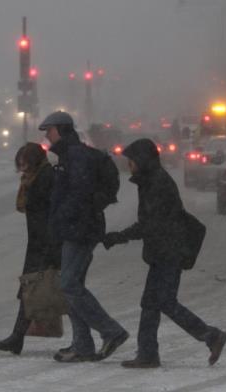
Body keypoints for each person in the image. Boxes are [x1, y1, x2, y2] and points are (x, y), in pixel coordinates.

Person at [103, 138, 226, 368]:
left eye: (131, 161)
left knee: (164, 301)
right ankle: (148, 353)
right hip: (164, 250)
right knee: (151, 302)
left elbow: (151, 223)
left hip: (169, 251)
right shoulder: (150, 180)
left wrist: (119, 237)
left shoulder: (157, 183)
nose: (129, 166)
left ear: (142, 160)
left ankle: (211, 335)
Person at [38, 111, 128, 363]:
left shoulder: (75, 156)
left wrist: (62, 217)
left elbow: (79, 195)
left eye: (49, 130)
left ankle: (111, 331)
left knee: (69, 284)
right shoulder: (71, 155)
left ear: (62, 130)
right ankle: (83, 345)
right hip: (77, 228)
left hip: (80, 229)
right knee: (72, 287)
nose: (46, 135)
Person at [0, 143, 59, 355]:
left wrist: (50, 243)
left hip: (46, 243)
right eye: (20, 163)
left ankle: (98, 333)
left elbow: (49, 211)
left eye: (25, 163)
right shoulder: (34, 178)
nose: (22, 167)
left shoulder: (45, 178)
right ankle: (17, 338)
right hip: (38, 242)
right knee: (32, 290)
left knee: (59, 293)